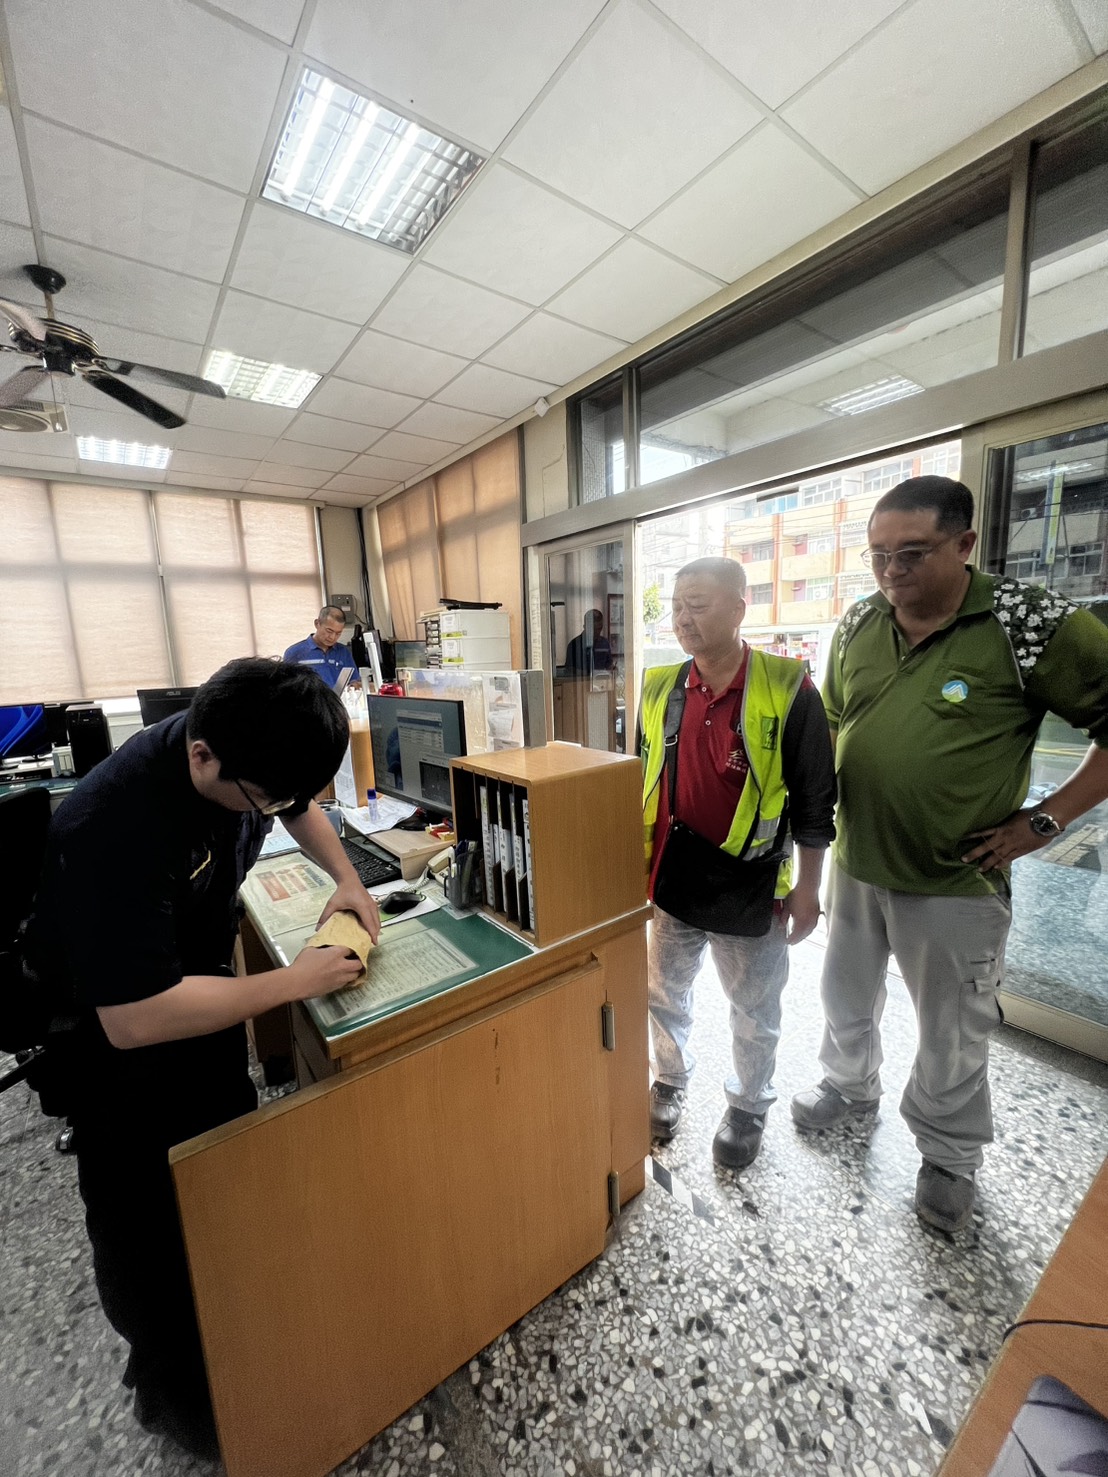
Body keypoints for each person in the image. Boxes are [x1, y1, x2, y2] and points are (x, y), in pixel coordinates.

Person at [24, 658, 381, 1458]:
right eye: (264, 799)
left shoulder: (246, 753)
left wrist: (347, 879)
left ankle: (240, 1344)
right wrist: (294, 981)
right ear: (200, 756)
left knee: (222, 1185)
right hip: (116, 1047)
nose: (277, 811)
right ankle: (180, 1402)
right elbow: (134, 1018)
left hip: (200, 992)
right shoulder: (110, 826)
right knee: (150, 1238)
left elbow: (297, 805)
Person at [791, 476, 1108, 1233]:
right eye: (877, 555)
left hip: (956, 879)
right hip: (857, 861)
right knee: (843, 995)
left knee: (952, 1028)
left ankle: (948, 1155)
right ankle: (849, 1086)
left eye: (911, 552)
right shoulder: (860, 620)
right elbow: (834, 720)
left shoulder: (1027, 622)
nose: (891, 570)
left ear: (965, 544)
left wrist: (1045, 822)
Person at [640, 558, 836, 1170]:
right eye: (677, 606)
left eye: (697, 605)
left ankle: (749, 1106)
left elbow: (814, 801)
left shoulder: (788, 686)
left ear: (738, 609)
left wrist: (809, 891)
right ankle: (669, 1081)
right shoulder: (660, 686)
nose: (683, 618)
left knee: (754, 1007)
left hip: (752, 882)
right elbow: (644, 779)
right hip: (674, 875)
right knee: (664, 992)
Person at [283, 604, 360, 689]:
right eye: (329, 631)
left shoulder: (344, 652)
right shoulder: (295, 652)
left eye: (338, 633)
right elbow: (286, 686)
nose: (332, 637)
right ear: (317, 624)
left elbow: (354, 681)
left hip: (337, 697)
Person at [564, 608, 612, 677]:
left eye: (600, 628)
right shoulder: (574, 645)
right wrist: (587, 674)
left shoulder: (605, 643)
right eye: (594, 629)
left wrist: (613, 669)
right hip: (580, 682)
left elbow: (609, 665)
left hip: (600, 681)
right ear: (585, 627)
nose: (598, 632)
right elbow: (569, 670)